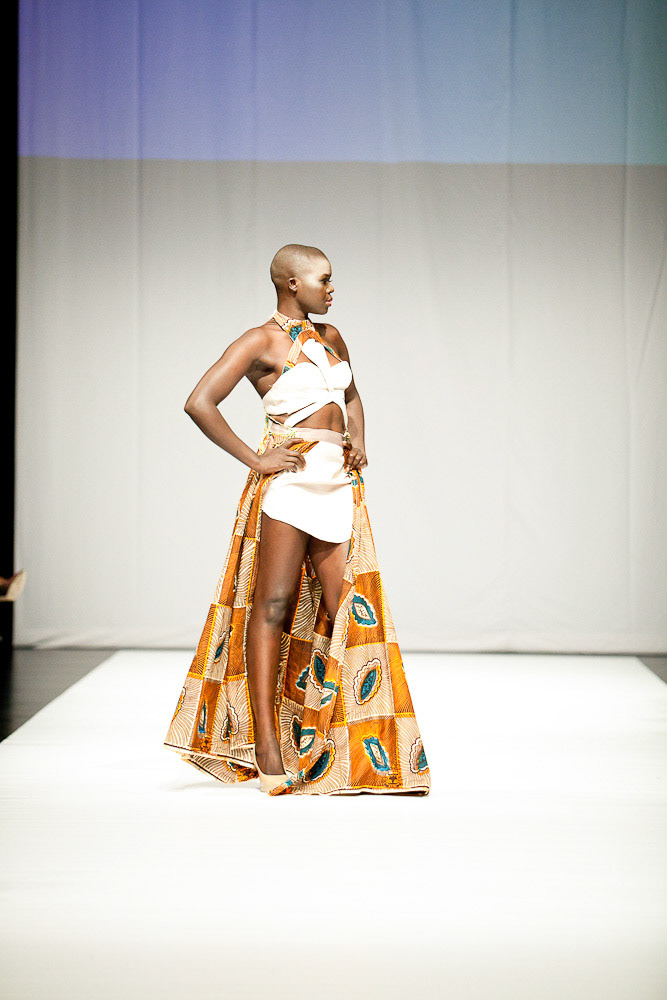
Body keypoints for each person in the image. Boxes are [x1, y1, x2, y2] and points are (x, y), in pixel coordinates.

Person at [163, 244, 430, 796]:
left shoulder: (332, 338)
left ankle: (330, 748)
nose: (331, 289)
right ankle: (267, 747)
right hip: (290, 482)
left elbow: (351, 397)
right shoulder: (260, 341)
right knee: (273, 606)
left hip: (336, 482)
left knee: (345, 607)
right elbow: (199, 401)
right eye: (323, 280)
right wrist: (256, 458)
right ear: (291, 283)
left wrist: (358, 441)